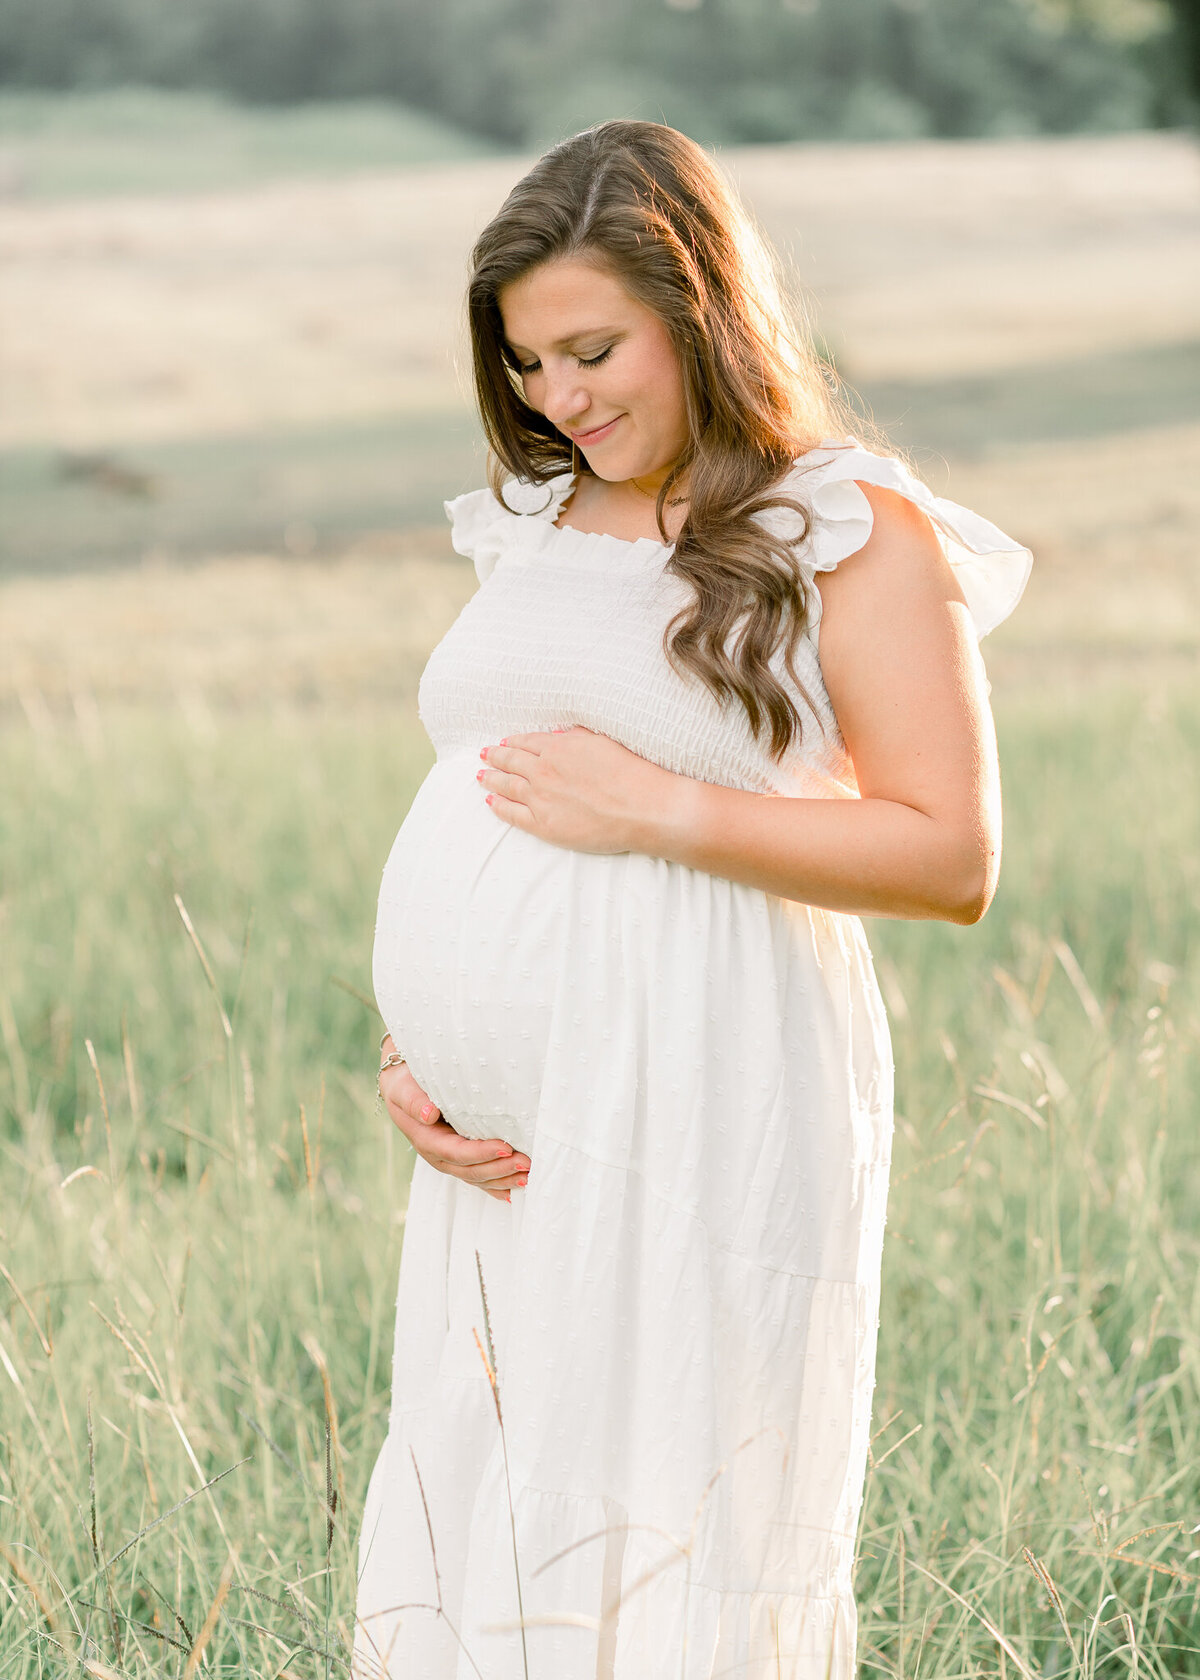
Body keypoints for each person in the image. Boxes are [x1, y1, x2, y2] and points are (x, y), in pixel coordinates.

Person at [353, 120, 1031, 1680]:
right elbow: (474, 795)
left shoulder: (844, 526)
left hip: (705, 1086)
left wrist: (662, 809)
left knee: (674, 1506)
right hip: (497, 1154)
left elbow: (951, 856)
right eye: (527, 366)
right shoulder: (532, 526)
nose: (559, 400)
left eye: (592, 350)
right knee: (496, 1498)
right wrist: (421, 1051)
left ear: (701, 307)